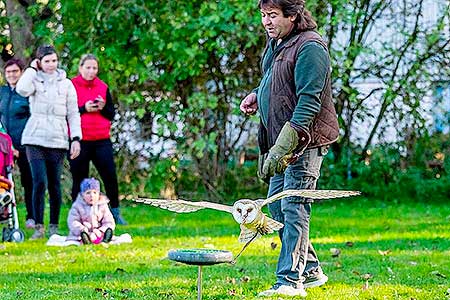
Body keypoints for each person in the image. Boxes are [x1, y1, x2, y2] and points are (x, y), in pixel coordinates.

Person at [240, 0, 339, 297]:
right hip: (281, 141)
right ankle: (309, 271)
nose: (266, 22)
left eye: (272, 15)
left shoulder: (311, 47)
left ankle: (289, 281)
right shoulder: (278, 43)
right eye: (263, 16)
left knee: (294, 207)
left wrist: (286, 143)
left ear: (293, 15)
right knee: (276, 206)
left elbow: (310, 101)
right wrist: (258, 94)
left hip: (304, 142)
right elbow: (278, 81)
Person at [16, 45, 82, 239]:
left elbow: (73, 113)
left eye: (54, 60)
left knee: (54, 183)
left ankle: (53, 226)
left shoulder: (67, 84)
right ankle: (38, 226)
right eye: (47, 61)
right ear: (40, 62)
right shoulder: (33, 78)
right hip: (35, 137)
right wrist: (31, 69)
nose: (51, 65)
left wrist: (76, 138)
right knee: (39, 181)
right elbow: (21, 89)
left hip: (58, 138)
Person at [69, 54, 127, 225]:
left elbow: (111, 113)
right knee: (79, 179)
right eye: (88, 67)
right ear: (80, 68)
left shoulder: (102, 86)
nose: (91, 71)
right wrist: (84, 108)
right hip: (80, 139)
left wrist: (101, 107)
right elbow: (68, 112)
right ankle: (77, 215)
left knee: (110, 176)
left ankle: (114, 212)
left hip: (101, 139)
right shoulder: (72, 86)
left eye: (94, 68)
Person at [0, 58, 34, 228]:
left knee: (29, 181)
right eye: (8, 72)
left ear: (21, 73)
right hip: (4, 147)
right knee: (4, 182)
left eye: (15, 71)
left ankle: (32, 217)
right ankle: (6, 215)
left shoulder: (27, 93)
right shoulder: (2, 92)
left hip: (25, 144)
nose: (12, 75)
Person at [67, 177, 115, 244]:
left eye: (95, 192)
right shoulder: (77, 206)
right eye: (88, 193)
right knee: (82, 236)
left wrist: (101, 230)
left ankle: (105, 239)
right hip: (83, 232)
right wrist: (82, 229)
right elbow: (73, 221)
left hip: (99, 232)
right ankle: (86, 240)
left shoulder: (103, 205)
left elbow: (109, 221)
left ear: (99, 194)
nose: (91, 195)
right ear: (82, 195)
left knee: (107, 231)